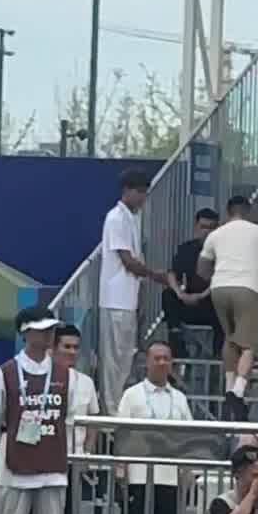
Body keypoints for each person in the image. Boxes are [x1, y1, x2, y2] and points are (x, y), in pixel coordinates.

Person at [0, 311, 72, 514]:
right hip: (15, 468)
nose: (50, 333)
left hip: (53, 468)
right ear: (26, 333)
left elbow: (69, 418)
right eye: (43, 329)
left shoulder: (66, 374)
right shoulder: (5, 373)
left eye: (51, 329)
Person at [115, 336, 194, 514]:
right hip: (138, 475)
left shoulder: (179, 398)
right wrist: (121, 469)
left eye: (166, 359)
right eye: (157, 358)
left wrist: (187, 473)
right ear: (146, 362)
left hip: (170, 477)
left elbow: (189, 436)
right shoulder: (131, 395)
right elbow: (122, 433)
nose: (162, 363)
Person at [196, 192, 258, 379]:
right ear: (249, 212)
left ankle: (228, 386)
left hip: (219, 289)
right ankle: (238, 390)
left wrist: (216, 279)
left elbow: (201, 268)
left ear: (227, 213)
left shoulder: (216, 234)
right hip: (245, 288)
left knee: (230, 338)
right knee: (248, 344)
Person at [97, 169, 159, 411]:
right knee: (113, 363)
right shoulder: (116, 218)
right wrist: (158, 276)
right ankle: (111, 413)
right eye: (140, 192)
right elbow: (128, 261)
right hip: (115, 300)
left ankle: (118, 411)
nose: (143, 198)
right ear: (127, 191)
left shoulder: (131, 219)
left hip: (127, 299)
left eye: (145, 192)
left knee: (124, 360)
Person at [51, 323, 101, 514]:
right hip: (46, 458)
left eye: (76, 347)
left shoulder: (86, 382)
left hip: (74, 458)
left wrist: (87, 452)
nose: (72, 352)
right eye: (67, 347)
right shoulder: (42, 378)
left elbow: (94, 421)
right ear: (53, 349)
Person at [162, 207, 221, 355]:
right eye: (203, 227)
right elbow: (172, 274)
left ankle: (217, 358)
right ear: (196, 227)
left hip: (210, 302)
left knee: (224, 301)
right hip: (188, 301)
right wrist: (181, 294)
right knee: (168, 295)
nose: (207, 231)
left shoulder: (223, 251)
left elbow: (221, 279)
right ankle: (178, 346)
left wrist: (201, 296)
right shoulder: (186, 249)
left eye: (211, 228)